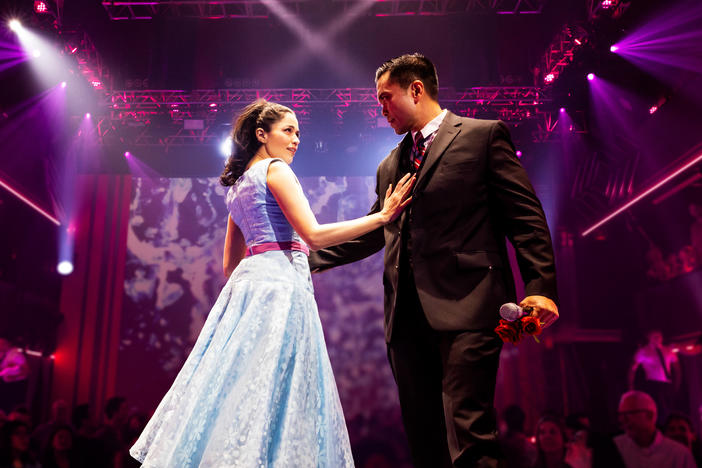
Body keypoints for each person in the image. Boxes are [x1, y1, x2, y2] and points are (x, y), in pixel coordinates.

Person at [129, 99, 414, 467]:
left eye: (298, 133)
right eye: (289, 131)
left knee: (236, 384)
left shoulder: (237, 184)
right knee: (278, 386)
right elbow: (313, 235)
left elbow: (229, 264)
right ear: (262, 135)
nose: (296, 140)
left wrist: (257, 275)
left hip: (248, 287)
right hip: (280, 286)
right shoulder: (276, 170)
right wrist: (383, 217)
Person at [309, 53, 559, 467]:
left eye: (386, 97)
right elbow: (376, 230)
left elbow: (525, 217)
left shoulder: (483, 136)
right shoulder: (390, 163)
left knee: (468, 430)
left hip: (471, 307)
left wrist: (541, 289)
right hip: (405, 319)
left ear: (416, 89)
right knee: (425, 439)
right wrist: (305, 257)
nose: (381, 108)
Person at [614, 390, 695, 468]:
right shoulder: (615, 447)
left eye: (629, 413)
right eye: (620, 415)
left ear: (650, 415)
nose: (622, 419)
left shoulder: (680, 454)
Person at [628, 329, 680, 424]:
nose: (658, 338)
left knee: (669, 407)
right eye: (655, 336)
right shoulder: (643, 351)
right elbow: (632, 369)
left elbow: (676, 367)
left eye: (659, 336)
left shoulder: (667, 350)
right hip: (653, 384)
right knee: (658, 408)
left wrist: (677, 382)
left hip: (666, 384)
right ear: (649, 337)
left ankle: (668, 425)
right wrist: (630, 385)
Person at [0, 338, 30, 414]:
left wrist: (13, 377)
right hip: (6, 386)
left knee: (10, 410)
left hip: (13, 388)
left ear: (6, 344)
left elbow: (26, 371)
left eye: (1, 344)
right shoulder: (5, 355)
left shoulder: (15, 354)